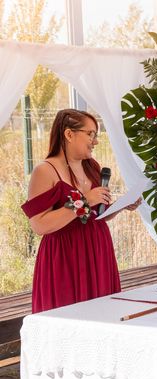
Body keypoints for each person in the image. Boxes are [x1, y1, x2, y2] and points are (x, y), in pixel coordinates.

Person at [21, 109, 140, 313]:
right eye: (90, 134)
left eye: (96, 135)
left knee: (102, 313)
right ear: (69, 134)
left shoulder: (91, 166)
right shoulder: (45, 170)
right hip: (64, 256)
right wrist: (85, 201)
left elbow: (94, 215)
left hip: (98, 249)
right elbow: (39, 224)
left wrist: (119, 207)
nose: (95, 141)